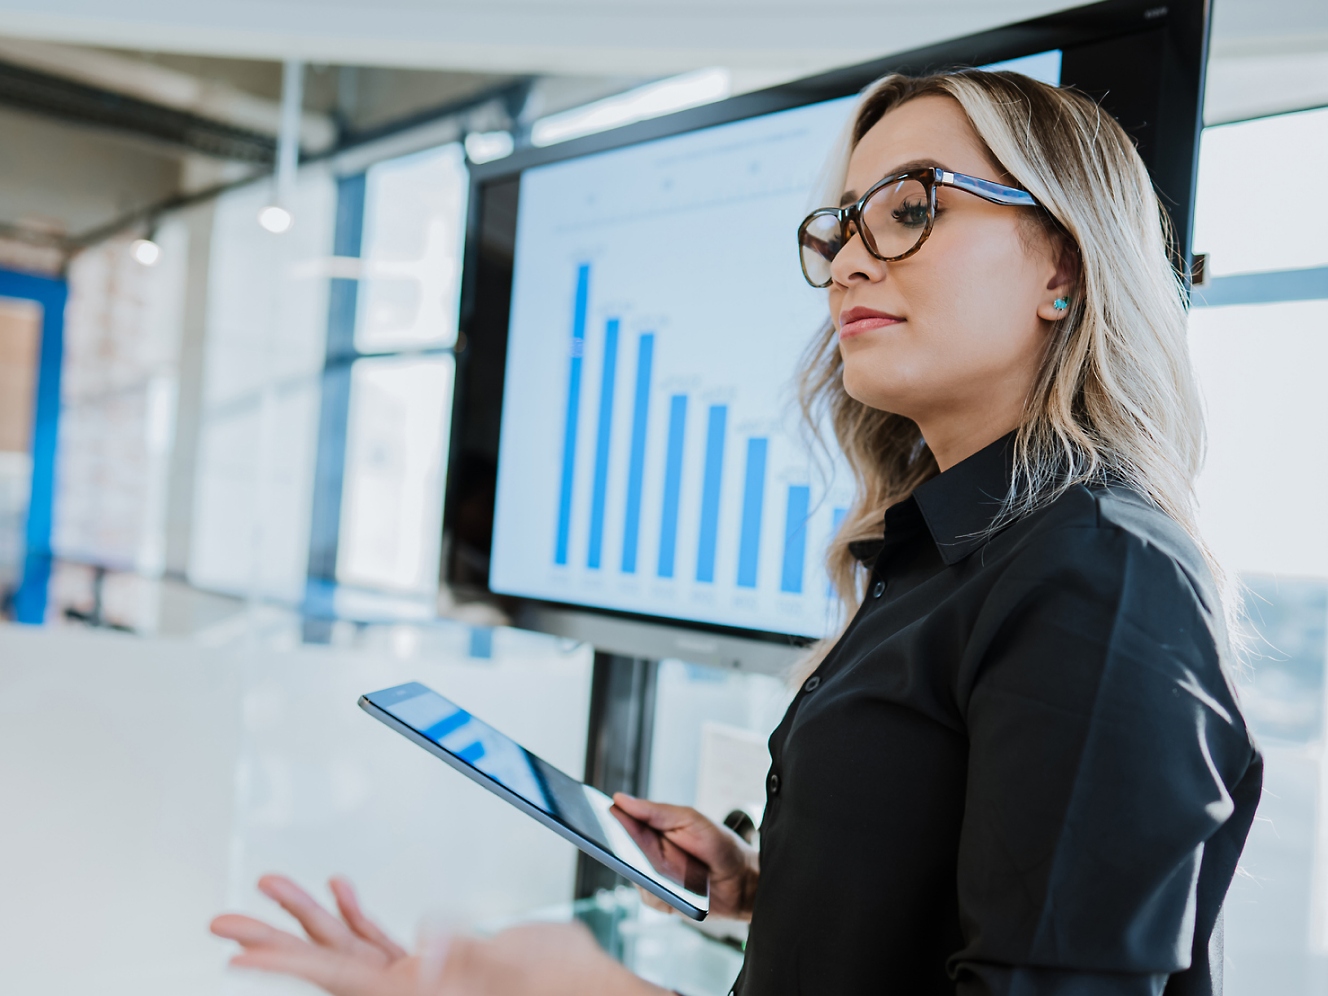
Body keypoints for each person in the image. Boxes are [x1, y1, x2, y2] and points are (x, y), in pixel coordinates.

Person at [211, 68, 1263, 996]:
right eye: (841, 227)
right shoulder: (940, 555)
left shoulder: (1098, 575)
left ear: (1063, 265)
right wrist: (770, 885)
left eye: (909, 209)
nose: (849, 261)